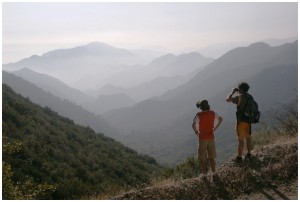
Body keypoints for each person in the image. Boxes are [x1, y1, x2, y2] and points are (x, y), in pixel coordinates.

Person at [192, 99, 223, 179]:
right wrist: (214, 128)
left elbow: (193, 125)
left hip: (202, 138)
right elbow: (221, 119)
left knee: (203, 158)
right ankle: (214, 173)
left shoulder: (199, 115)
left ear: (201, 107)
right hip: (211, 137)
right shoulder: (213, 113)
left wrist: (197, 133)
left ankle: (204, 174)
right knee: (211, 157)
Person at [226, 82, 252, 163]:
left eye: (238, 88)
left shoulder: (239, 98)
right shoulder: (250, 96)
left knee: (241, 141)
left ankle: (239, 157)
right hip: (248, 121)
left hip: (240, 122)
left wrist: (233, 92)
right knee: (248, 138)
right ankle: (249, 153)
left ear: (240, 89)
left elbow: (228, 100)